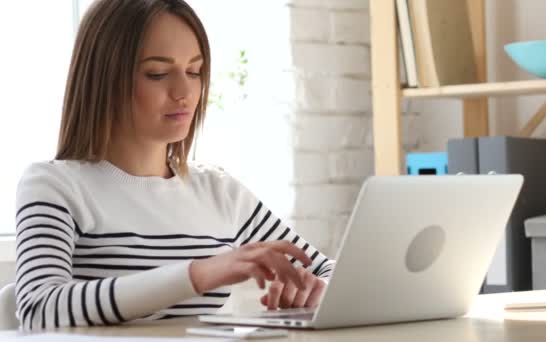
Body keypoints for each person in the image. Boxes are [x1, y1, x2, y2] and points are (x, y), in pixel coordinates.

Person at [14, 0, 334, 330]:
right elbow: (39, 308)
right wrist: (201, 272)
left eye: (195, 72)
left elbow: (329, 271)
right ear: (104, 78)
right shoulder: (54, 185)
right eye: (158, 74)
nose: (185, 92)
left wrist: (314, 291)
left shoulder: (218, 190)